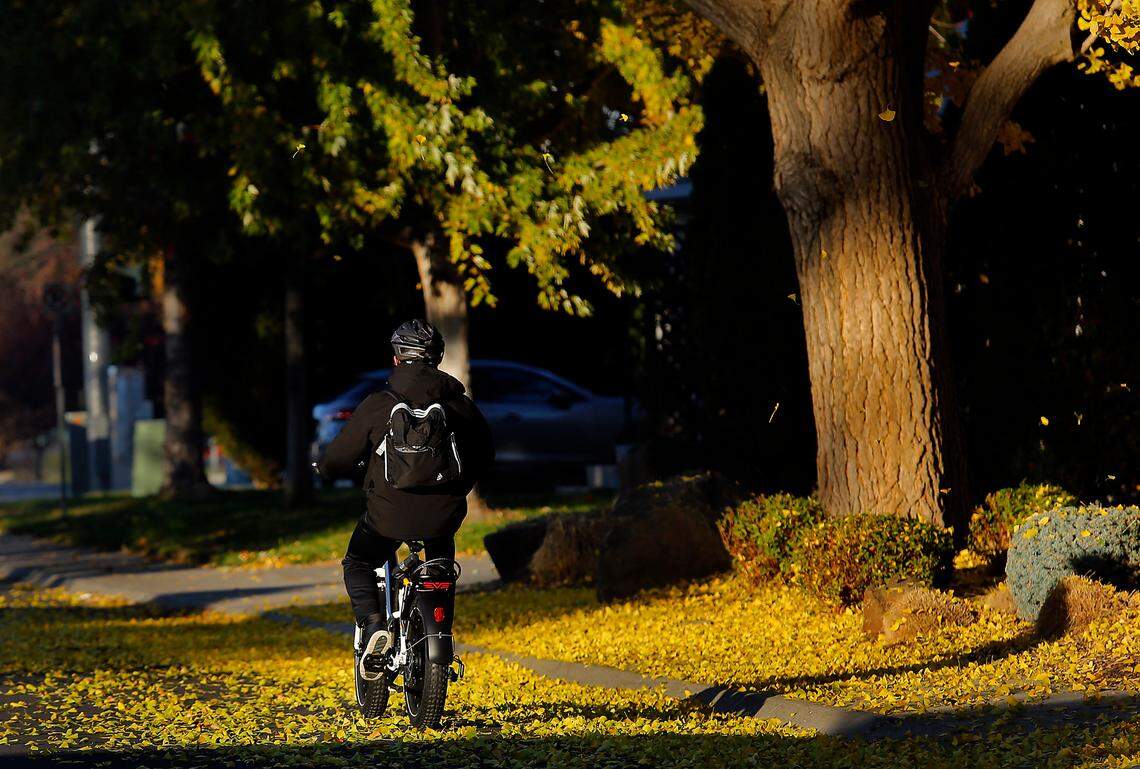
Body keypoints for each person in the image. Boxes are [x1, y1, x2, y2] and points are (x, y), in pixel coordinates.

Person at [317, 319, 494, 670]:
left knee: (358, 562)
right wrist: (458, 488)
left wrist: (326, 470)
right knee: (440, 566)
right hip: (442, 516)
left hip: (387, 515)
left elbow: (340, 456)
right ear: (436, 359)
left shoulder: (379, 404)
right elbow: (485, 453)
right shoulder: (458, 405)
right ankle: (439, 630)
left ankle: (373, 626)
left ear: (397, 358)